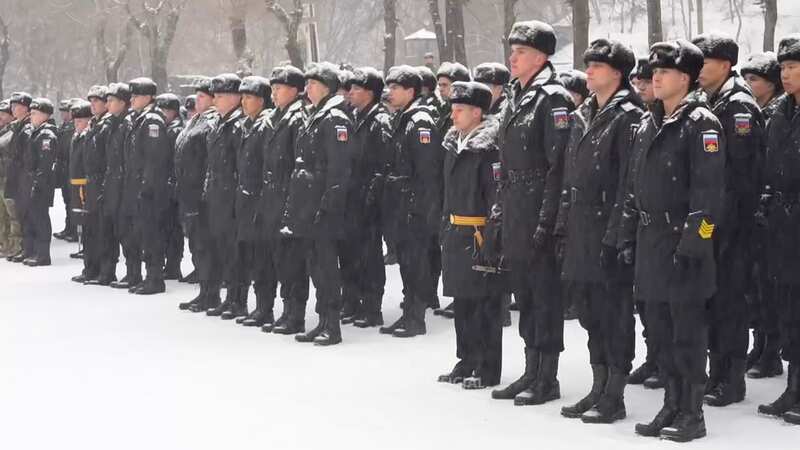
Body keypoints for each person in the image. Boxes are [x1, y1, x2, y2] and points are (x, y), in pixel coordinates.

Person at [621, 40, 725, 442]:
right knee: (660, 331)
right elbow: (635, 185)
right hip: (652, 242)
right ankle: (671, 402)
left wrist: (695, 245)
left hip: (683, 244)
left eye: (663, 72)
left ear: (685, 78)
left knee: (687, 333)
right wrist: (627, 235)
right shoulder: (650, 121)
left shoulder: (702, 123)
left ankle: (692, 412)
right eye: (654, 71)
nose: (655, 78)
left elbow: (710, 197)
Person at [557, 39, 642, 424]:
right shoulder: (583, 112)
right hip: (581, 225)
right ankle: (598, 384)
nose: (588, 71)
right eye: (588, 64)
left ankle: (615, 393)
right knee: (590, 313)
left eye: (597, 66)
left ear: (618, 73)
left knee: (614, 313)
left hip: (608, 225)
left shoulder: (629, 115)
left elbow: (630, 181)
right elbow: (568, 174)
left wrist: (617, 234)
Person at [490, 20, 574, 407]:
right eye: (513, 50)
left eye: (520, 51)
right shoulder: (517, 94)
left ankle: (547, 375)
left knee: (544, 295)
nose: (513, 57)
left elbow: (558, 166)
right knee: (524, 293)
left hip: (539, 206)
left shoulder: (552, 97)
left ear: (541, 57)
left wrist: (548, 219)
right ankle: (530, 368)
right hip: (516, 209)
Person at [692, 32, 766, 408]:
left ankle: (730, 378)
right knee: (711, 298)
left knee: (729, 301)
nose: (698, 70)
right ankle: (716, 370)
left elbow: (739, 174)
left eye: (704, 62)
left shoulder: (738, 106)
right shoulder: (709, 100)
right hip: (714, 220)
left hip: (733, 223)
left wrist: (725, 223)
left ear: (725, 65)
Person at [437, 80, 504, 390]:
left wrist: (491, 235)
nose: (454, 115)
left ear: (478, 112)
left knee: (484, 305)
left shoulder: (489, 149)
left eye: (460, 110)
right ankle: (466, 359)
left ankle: (486, 367)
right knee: (462, 303)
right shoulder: (454, 143)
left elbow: (496, 195)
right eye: (453, 109)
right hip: (455, 231)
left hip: (478, 232)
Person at [282, 62, 352, 346]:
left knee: (326, 267)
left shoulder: (335, 119)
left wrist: (328, 205)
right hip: (308, 205)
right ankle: (322, 319)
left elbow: (339, 168)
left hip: (323, 207)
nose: (307, 89)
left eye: (312, 84)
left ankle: (332, 324)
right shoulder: (315, 116)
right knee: (315, 266)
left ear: (326, 87)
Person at [378, 65, 442, 338]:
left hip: (414, 207)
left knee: (416, 263)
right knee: (406, 262)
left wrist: (420, 208)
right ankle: (408, 313)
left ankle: (416, 317)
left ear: (411, 91)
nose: (389, 92)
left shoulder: (420, 122)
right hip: (401, 204)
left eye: (395, 88)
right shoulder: (403, 118)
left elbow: (427, 172)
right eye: (389, 87)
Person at [757, 33, 800, 426]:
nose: (786, 74)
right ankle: (794, 385)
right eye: (783, 67)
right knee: (787, 307)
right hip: (782, 224)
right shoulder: (780, 112)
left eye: (793, 67)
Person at [741, 50, 785, 380]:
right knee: (755, 287)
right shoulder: (755, 112)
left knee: (771, 287)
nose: (748, 85)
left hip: (776, 210)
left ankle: (771, 348)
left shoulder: (777, 114)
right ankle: (760, 344)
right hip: (756, 208)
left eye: (754, 79)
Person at [341, 66, 391, 328]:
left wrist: (371, 198)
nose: (351, 93)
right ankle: (353, 301)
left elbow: (382, 165)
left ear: (370, 93)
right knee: (350, 253)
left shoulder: (379, 121)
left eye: (357, 89)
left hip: (368, 201)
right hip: (351, 197)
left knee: (369, 255)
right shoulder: (354, 117)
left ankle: (372, 307)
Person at [262, 65, 310, 335]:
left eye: (279, 89)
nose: (274, 94)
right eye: (273, 89)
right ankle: (287, 308)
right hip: (273, 198)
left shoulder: (297, 118)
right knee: (280, 259)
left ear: (294, 90)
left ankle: (296, 312)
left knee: (293, 260)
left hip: (290, 199)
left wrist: (293, 204)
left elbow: (298, 166)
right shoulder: (276, 117)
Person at [626, 56, 663, 390]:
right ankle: (654, 357)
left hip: (672, 230)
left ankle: (667, 365)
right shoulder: (646, 120)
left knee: (670, 307)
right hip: (644, 225)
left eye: (646, 82)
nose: (641, 88)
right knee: (647, 302)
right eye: (638, 83)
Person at [175, 77, 220, 312]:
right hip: (188, 194)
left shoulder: (210, 124)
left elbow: (208, 162)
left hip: (201, 197)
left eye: (202, 96)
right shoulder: (196, 121)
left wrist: (202, 192)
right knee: (196, 246)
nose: (197, 100)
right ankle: (204, 290)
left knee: (205, 246)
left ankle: (211, 292)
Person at [233, 75, 275, 327]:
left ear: (262, 100)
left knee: (264, 259)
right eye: (243, 97)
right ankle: (259, 306)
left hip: (261, 201)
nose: (244, 102)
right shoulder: (247, 125)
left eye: (249, 97)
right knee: (253, 257)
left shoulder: (265, 126)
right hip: (246, 200)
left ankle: (266, 307)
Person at [204, 73, 246, 317]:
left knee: (235, 253)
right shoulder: (219, 123)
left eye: (220, 96)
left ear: (235, 98)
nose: (215, 100)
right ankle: (230, 296)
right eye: (215, 96)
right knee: (223, 250)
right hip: (218, 197)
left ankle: (238, 299)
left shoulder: (238, 125)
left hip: (232, 198)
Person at [126, 77, 170, 295]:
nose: (132, 99)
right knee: (144, 234)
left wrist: (146, 187)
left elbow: (155, 159)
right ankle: (149, 275)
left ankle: (155, 278)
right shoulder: (140, 119)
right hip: (140, 189)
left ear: (149, 97)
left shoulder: (152, 120)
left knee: (152, 234)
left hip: (150, 192)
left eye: (136, 95)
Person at [98, 83, 132, 287]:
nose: (107, 104)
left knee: (126, 232)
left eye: (112, 100)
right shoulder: (109, 123)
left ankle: (132, 272)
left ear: (123, 103)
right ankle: (107, 270)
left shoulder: (127, 124)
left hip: (123, 184)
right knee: (107, 230)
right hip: (110, 182)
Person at [18, 98, 59, 266]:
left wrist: (37, 184)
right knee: (29, 217)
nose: (31, 116)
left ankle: (42, 254)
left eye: (34, 113)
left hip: (40, 184)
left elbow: (45, 164)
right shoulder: (34, 132)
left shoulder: (46, 135)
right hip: (29, 181)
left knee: (40, 218)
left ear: (44, 115)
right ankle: (30, 250)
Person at [155, 93, 185, 281]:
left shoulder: (175, 131)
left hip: (172, 186)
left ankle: (173, 264)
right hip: (166, 185)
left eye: (166, 110)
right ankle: (171, 263)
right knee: (167, 227)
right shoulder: (166, 129)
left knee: (173, 229)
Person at [4, 92, 32, 262]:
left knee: (20, 215)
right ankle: (20, 247)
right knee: (17, 214)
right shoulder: (17, 126)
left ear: (26, 108)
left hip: (22, 177)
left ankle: (21, 247)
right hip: (13, 175)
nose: (13, 110)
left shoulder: (26, 127)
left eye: (16, 107)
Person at [68, 100, 94, 281]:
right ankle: (87, 256)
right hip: (76, 183)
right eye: (75, 121)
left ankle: (91, 262)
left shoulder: (86, 137)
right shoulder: (77, 137)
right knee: (80, 220)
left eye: (79, 121)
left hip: (84, 185)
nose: (76, 125)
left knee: (88, 222)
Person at [53, 99, 77, 242]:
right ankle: (68, 227)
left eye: (65, 112)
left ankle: (73, 229)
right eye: (61, 112)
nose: (63, 115)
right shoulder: (64, 127)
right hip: (63, 168)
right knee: (67, 200)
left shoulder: (72, 128)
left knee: (73, 201)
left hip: (69, 167)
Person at [0, 100, 17, 257]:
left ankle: (14, 245)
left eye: (4, 113)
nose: (1, 116)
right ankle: (4, 244)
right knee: (2, 214)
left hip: (8, 177)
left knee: (12, 214)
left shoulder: (12, 132)